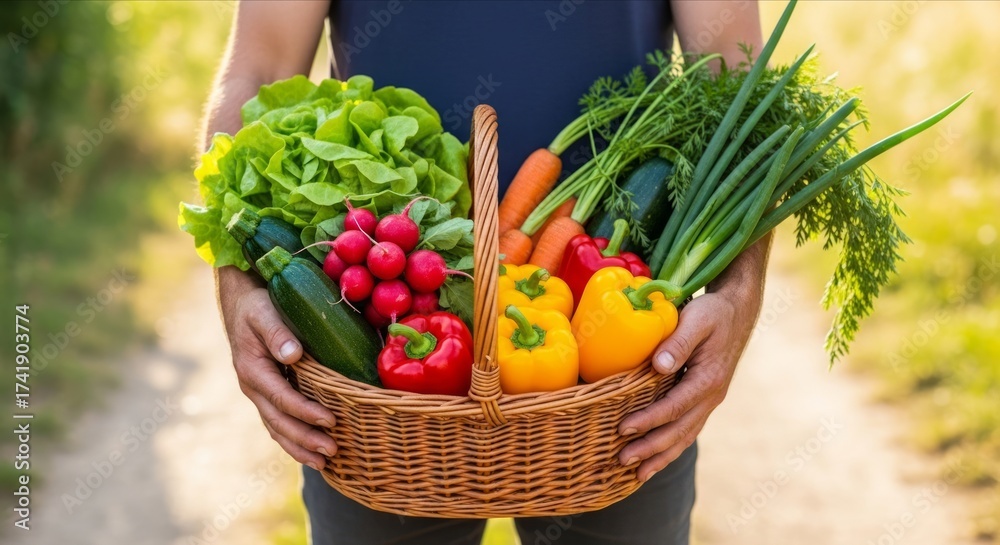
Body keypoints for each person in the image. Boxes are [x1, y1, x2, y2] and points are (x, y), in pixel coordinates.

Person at [206, 2, 766, 544]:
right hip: (380, 350)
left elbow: (732, 80)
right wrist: (237, 285)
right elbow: (262, 67)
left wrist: (739, 296)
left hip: (625, 382)